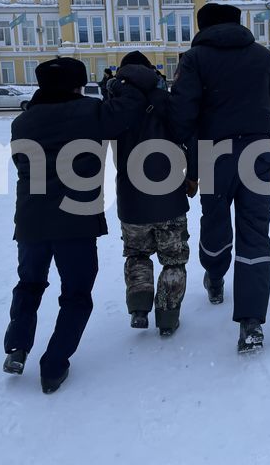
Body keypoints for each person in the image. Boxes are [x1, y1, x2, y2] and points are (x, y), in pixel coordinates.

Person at [3, 57, 156, 394]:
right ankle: (54, 365)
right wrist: (129, 76)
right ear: (78, 84)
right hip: (75, 221)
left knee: (29, 283)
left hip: (31, 220)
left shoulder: (22, 122)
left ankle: (17, 346)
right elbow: (130, 107)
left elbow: (21, 163)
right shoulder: (91, 113)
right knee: (76, 295)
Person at [169, 3, 270, 353]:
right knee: (255, 229)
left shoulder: (194, 59)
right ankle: (251, 323)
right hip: (258, 149)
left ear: (202, 26)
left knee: (216, 217)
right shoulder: (262, 56)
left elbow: (181, 115)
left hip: (214, 152)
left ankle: (216, 275)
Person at [112, 51, 195, 337]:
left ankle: (139, 307)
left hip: (130, 198)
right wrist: (192, 173)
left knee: (137, 254)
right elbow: (189, 134)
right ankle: (168, 316)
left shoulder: (114, 103)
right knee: (173, 259)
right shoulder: (166, 101)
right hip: (169, 196)